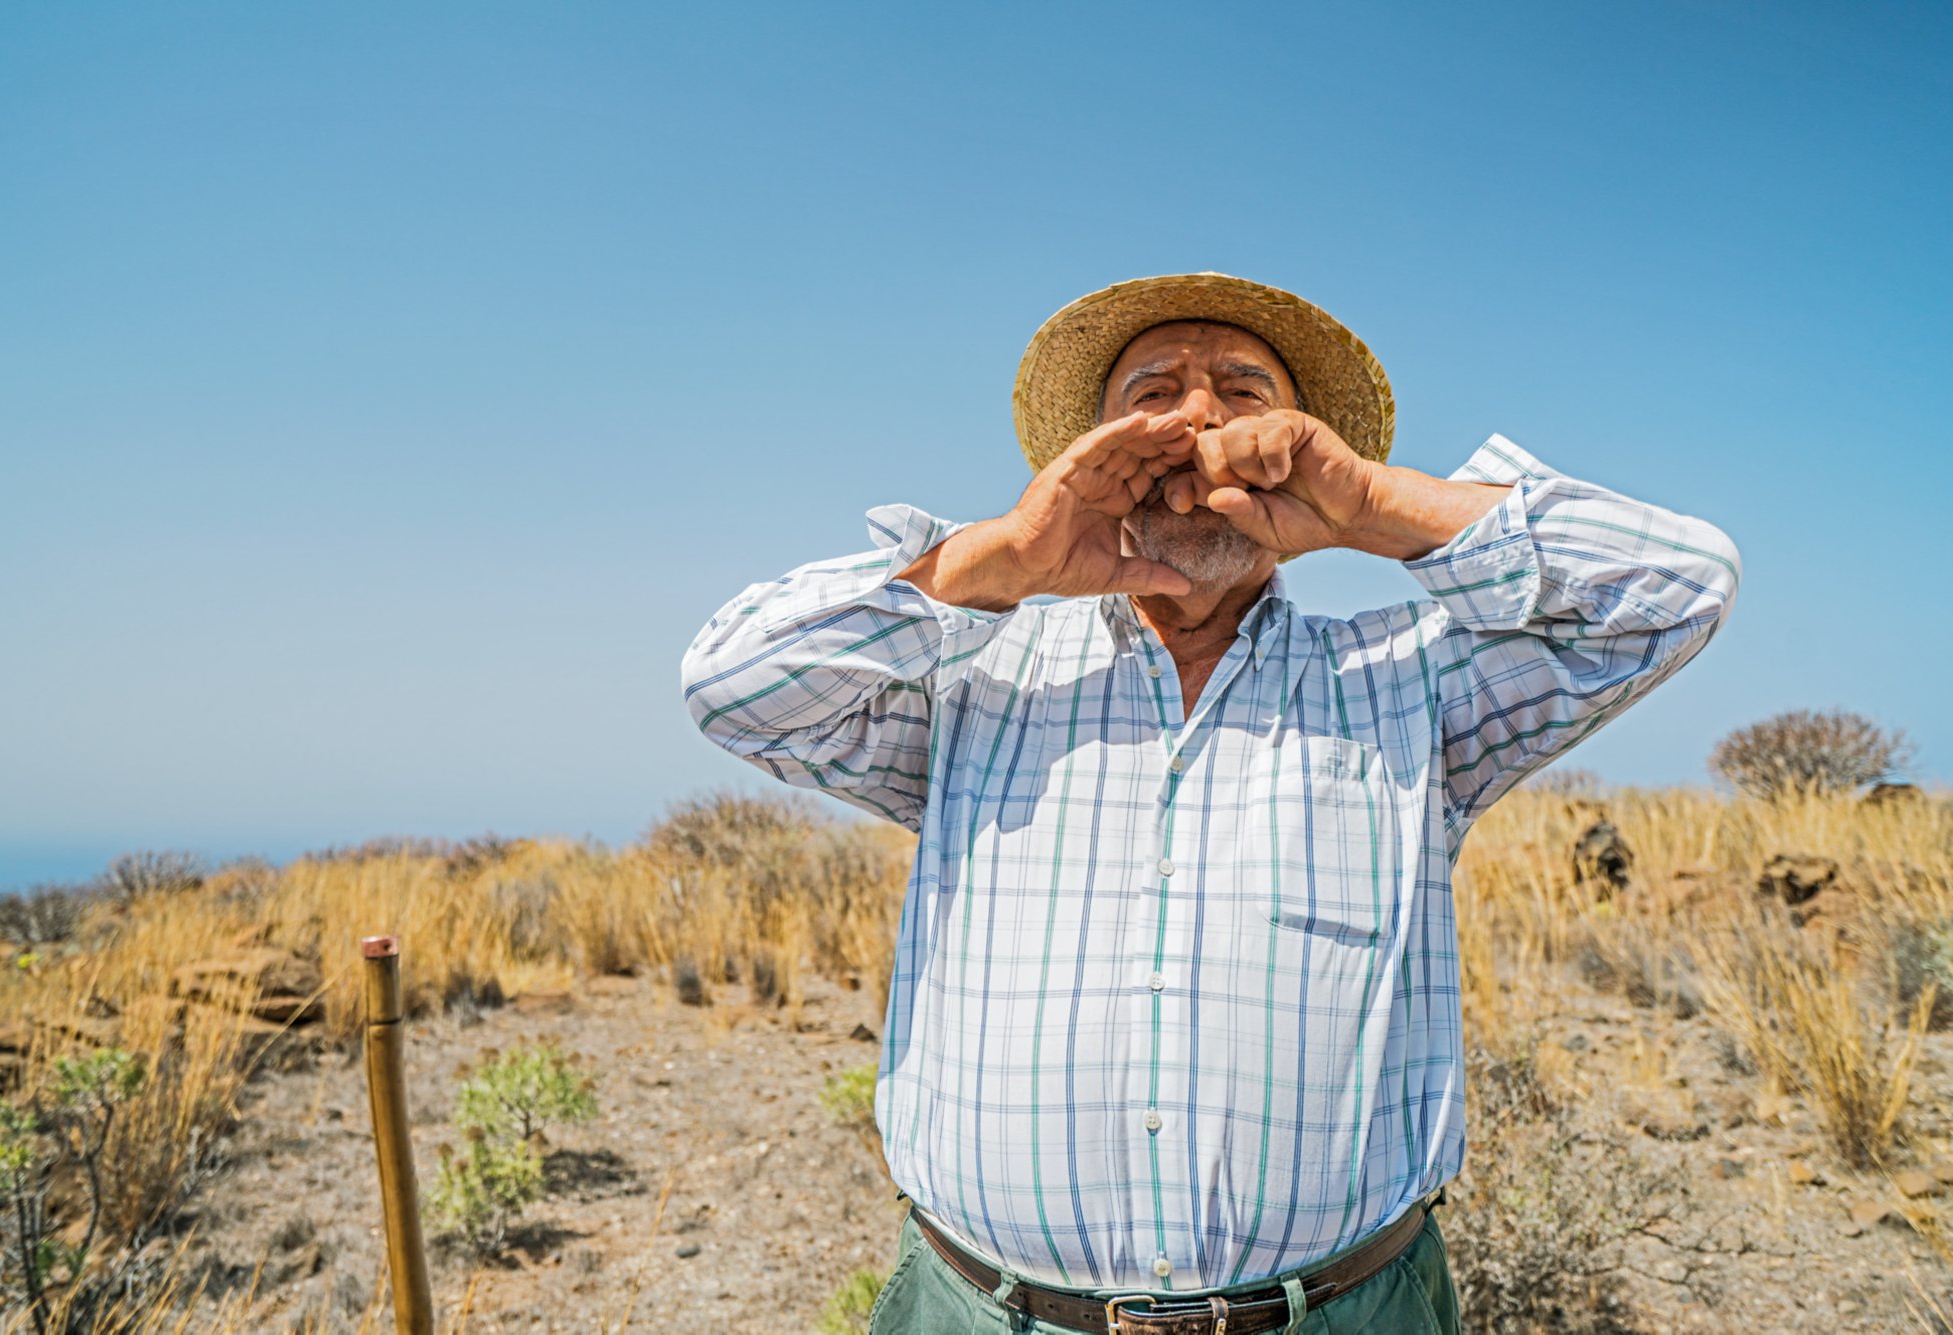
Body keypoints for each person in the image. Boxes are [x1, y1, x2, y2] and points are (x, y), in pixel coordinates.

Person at [681, 272, 1739, 1333]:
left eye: (1243, 393)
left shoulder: (1406, 683)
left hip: (1343, 1311)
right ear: (1084, 460)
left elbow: (1675, 583)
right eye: (1153, 396)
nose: (1196, 421)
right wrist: (1005, 557)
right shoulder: (978, 685)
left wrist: (1372, 506)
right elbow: (733, 683)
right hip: (982, 1309)